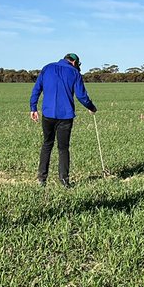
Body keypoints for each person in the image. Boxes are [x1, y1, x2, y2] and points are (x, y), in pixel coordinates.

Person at [29, 52, 97, 188]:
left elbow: (37, 88)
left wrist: (33, 108)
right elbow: (81, 95)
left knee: (47, 144)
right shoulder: (74, 73)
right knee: (63, 148)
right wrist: (91, 107)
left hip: (48, 114)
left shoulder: (47, 68)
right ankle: (64, 181)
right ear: (74, 62)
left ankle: (42, 179)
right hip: (65, 116)